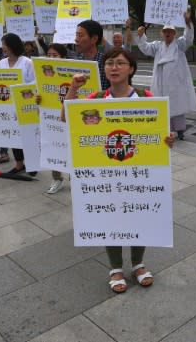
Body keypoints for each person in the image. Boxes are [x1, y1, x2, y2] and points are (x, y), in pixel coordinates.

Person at [62, 48, 175, 293]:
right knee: (110, 215)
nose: (114, 67)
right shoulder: (97, 98)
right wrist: (73, 88)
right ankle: (115, 267)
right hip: (106, 171)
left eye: (120, 63)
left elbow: (161, 133)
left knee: (139, 213)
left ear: (131, 69)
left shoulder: (146, 97)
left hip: (138, 171)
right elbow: (66, 117)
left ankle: (138, 263)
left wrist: (168, 140)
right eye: (110, 63)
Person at [136, 11, 196, 139]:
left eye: (170, 31)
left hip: (177, 83)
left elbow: (189, 38)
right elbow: (145, 48)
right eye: (165, 31)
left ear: (175, 33)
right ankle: (165, 129)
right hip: (161, 83)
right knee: (164, 107)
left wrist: (187, 22)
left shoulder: (179, 45)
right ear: (162, 33)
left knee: (178, 107)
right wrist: (141, 36)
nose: (167, 33)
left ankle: (180, 132)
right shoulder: (157, 46)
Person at [0, 33, 36, 174]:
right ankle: (19, 164)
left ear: (13, 45)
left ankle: (33, 164)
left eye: (5, 45)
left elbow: (34, 82)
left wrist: (18, 88)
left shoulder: (27, 62)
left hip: (25, 104)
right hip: (8, 105)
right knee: (14, 135)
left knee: (28, 135)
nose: (3, 48)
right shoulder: (1, 63)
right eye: (2, 45)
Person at [43, 42, 70, 193]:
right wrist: (39, 99)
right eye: (49, 55)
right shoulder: (44, 73)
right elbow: (40, 91)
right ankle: (56, 178)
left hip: (69, 115)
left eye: (55, 55)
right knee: (54, 145)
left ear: (63, 57)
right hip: (52, 116)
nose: (51, 58)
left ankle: (75, 175)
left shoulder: (73, 71)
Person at [72, 19, 109, 89]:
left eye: (80, 35)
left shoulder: (106, 63)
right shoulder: (74, 61)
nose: (76, 39)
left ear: (94, 39)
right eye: (76, 35)